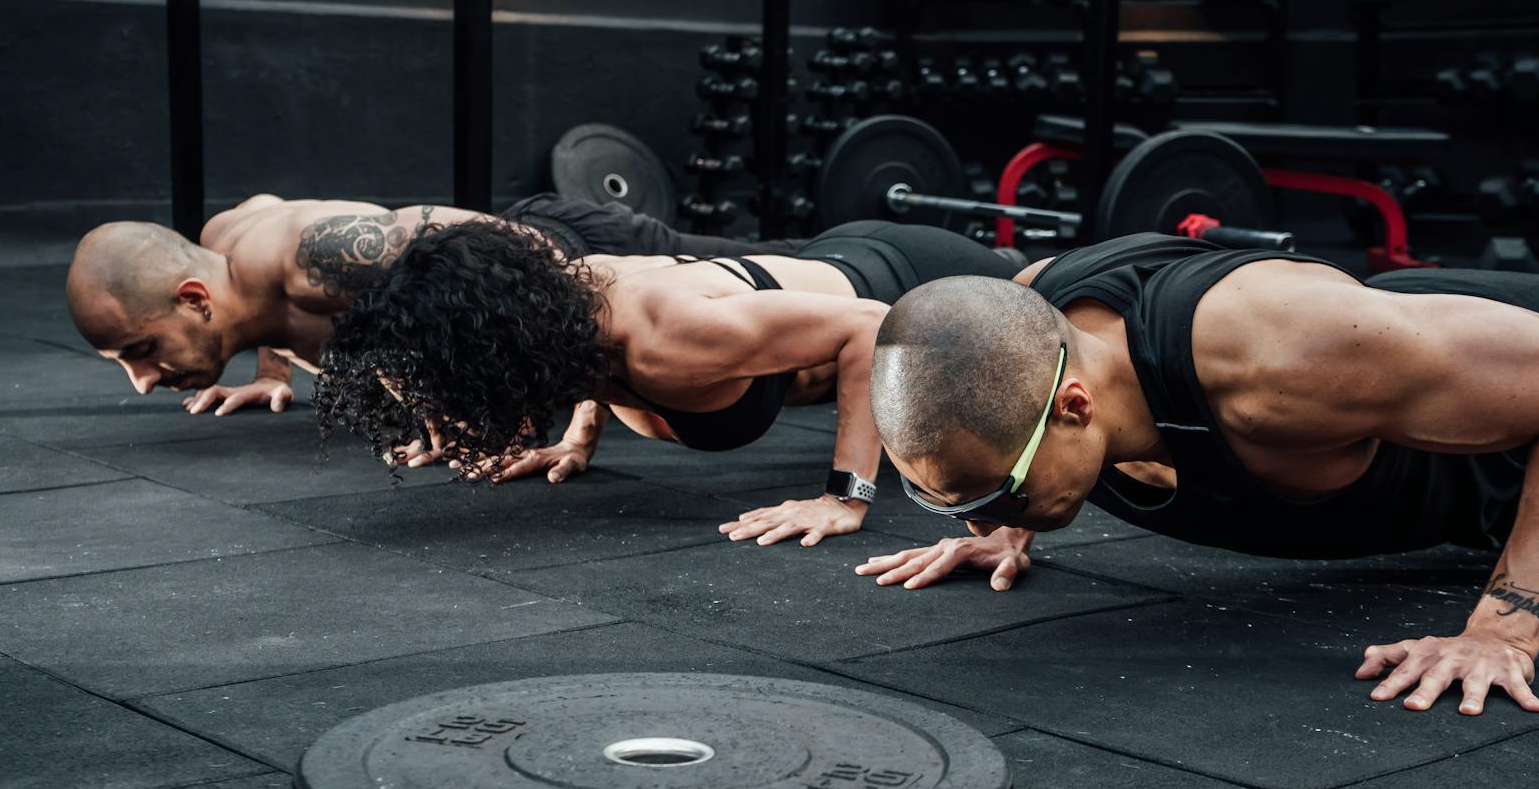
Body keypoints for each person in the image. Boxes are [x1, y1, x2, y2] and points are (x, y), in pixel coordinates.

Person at [858, 233, 1539, 716]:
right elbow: (1011, 396)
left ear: (1077, 408)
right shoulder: (1037, 311)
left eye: (993, 496)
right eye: (957, 502)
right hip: (1422, 346)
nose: (975, 522)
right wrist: (1014, 514)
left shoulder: (1274, 358)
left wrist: (1503, 632)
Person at [313, 217, 1017, 546]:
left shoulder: (665, 335)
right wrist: (578, 438)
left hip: (919, 280)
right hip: (827, 254)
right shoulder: (569, 325)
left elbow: (867, 325)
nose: (440, 424)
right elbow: (579, 353)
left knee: (1061, 303)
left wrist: (846, 497)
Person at [64, 194, 802, 478]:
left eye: (141, 351)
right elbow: (258, 293)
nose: (145, 379)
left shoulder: (315, 254)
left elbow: (529, 268)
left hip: (575, 248)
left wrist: (555, 412)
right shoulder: (227, 258)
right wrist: (275, 373)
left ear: (192, 300)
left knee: (782, 269)